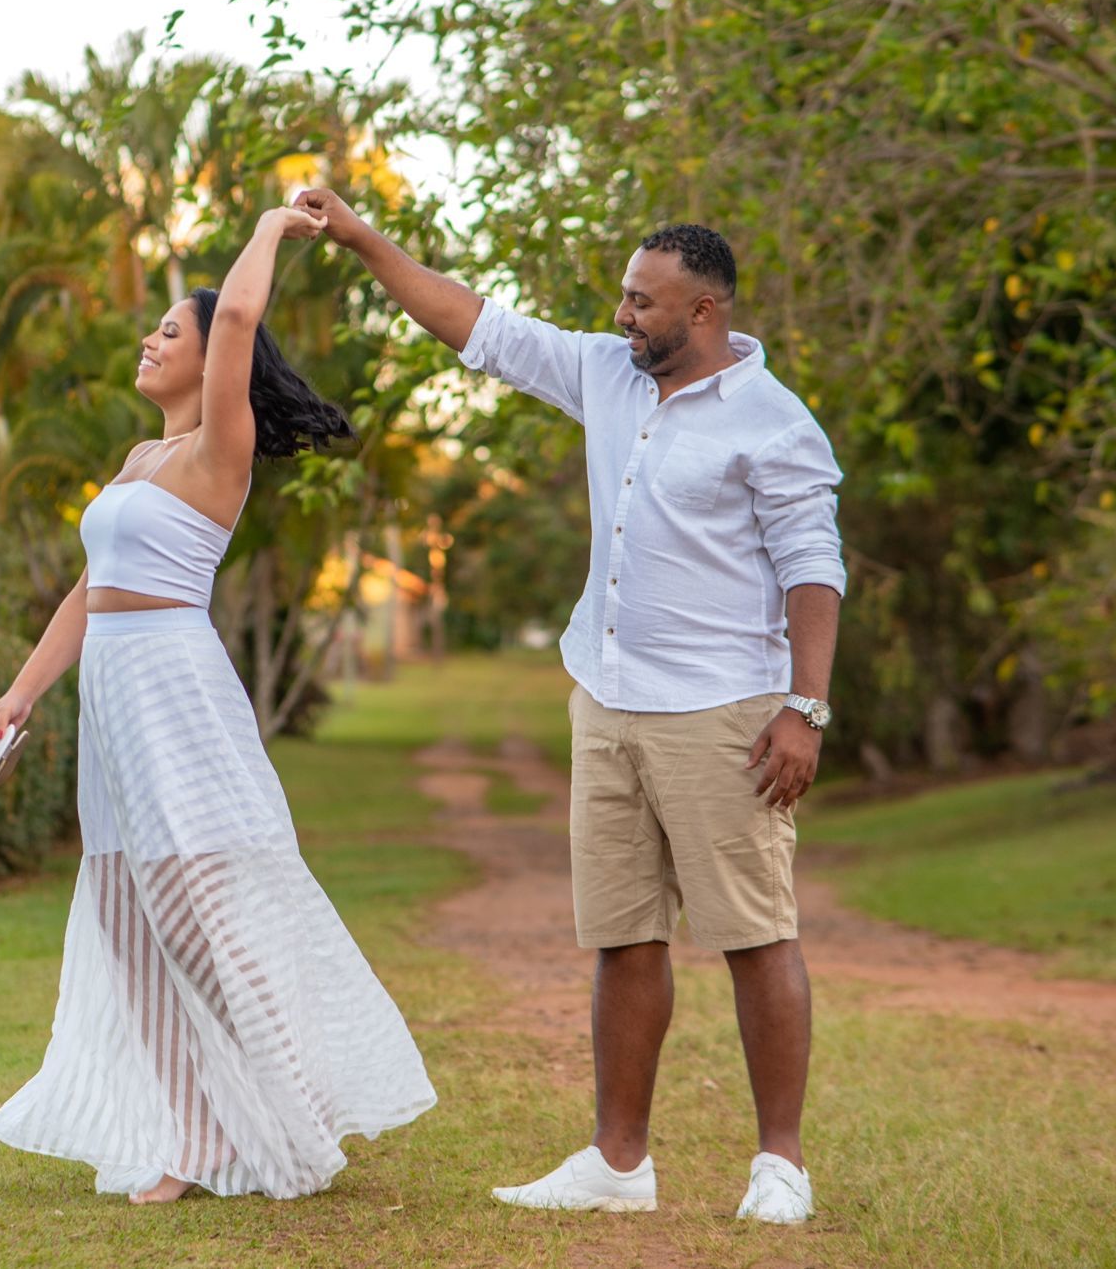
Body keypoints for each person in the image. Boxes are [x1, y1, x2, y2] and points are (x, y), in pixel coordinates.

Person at [296, 188, 843, 1224]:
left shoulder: (773, 422)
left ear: (705, 313)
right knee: (624, 935)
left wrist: (803, 709)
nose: (624, 315)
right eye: (624, 298)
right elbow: (474, 324)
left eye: (644, 302)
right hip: (608, 700)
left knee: (755, 933)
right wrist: (365, 240)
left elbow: (816, 568)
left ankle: (781, 1164)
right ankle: (617, 1162)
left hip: (725, 712)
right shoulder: (605, 373)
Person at [0, 205, 436, 1205]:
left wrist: (272, 226)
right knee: (130, 920)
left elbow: (236, 325)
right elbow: (86, 594)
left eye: (168, 331)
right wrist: (19, 693)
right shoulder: (139, 462)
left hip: (176, 694)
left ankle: (296, 1102)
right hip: (113, 704)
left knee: (194, 914)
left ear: (210, 357)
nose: (152, 339)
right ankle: (187, 1137)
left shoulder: (217, 448)